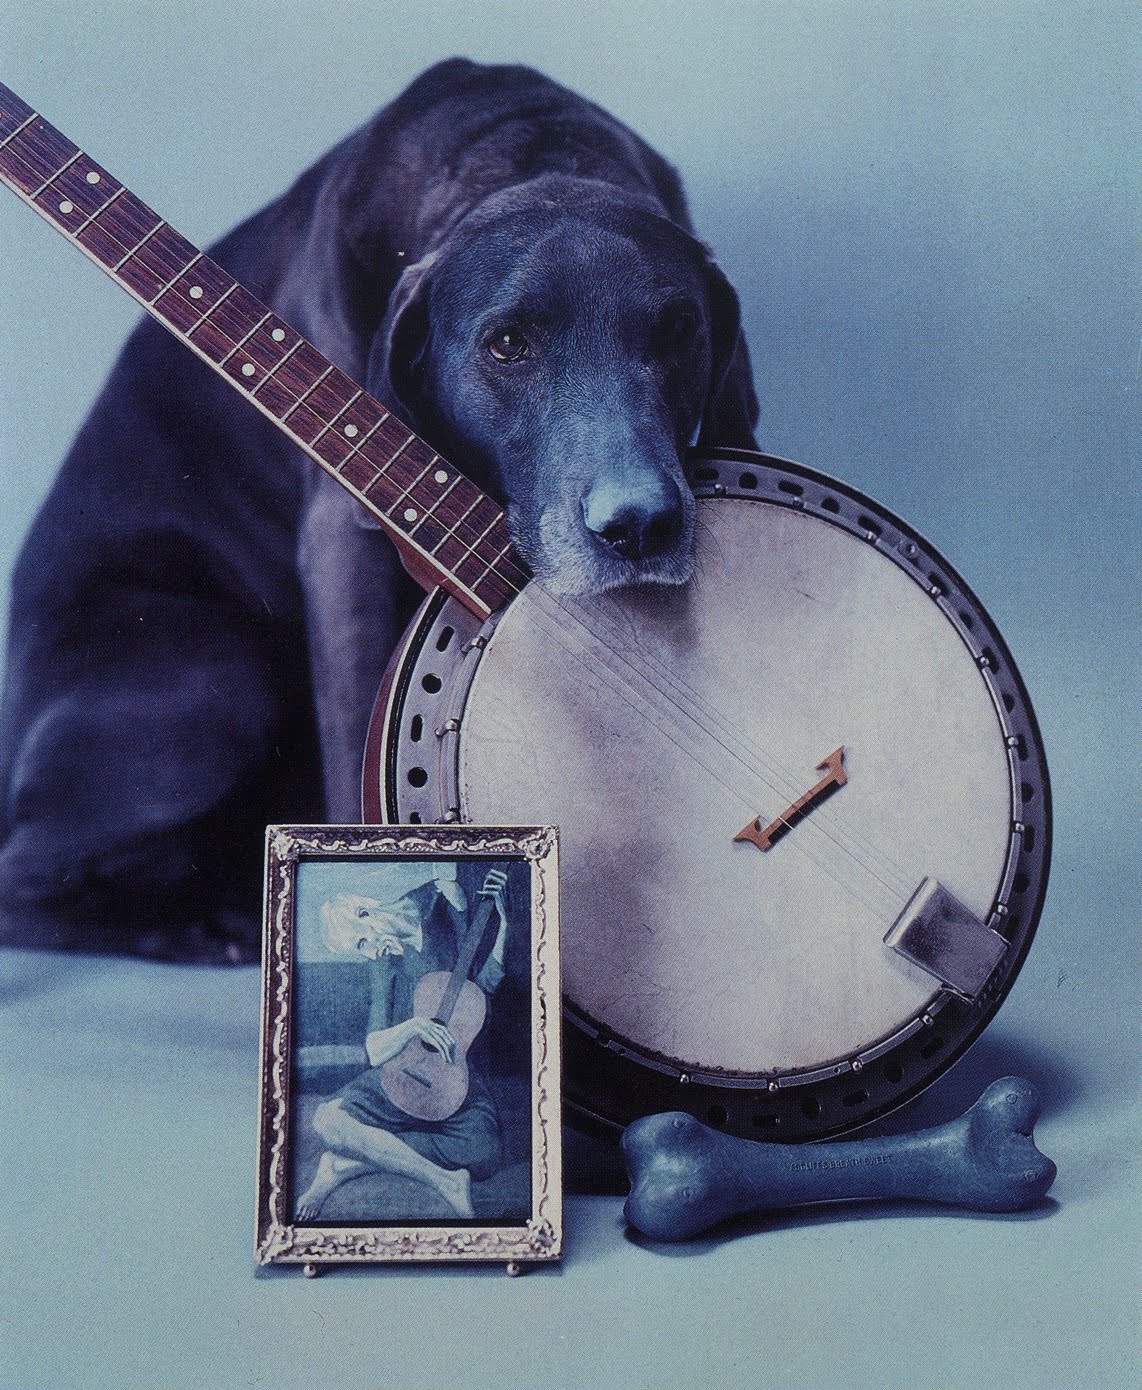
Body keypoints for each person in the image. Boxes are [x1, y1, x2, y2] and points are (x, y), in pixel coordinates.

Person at [296, 866, 510, 1220]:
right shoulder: (382, 962)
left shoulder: (439, 904)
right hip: (400, 1075)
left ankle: (345, 1165)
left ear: (366, 915)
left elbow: (480, 988)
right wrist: (413, 1026)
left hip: (455, 1078)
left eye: (361, 941)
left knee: (484, 1152)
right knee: (326, 1119)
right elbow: (375, 1049)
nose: (367, 953)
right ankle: (445, 1181)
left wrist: (504, 926)